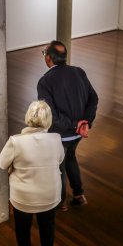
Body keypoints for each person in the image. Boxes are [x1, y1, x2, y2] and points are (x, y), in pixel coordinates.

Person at [37, 40, 98, 211]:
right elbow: (94, 99)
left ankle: (61, 202)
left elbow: (51, 115)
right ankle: (79, 194)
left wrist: (74, 124)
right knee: (70, 157)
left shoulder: (45, 81)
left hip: (60, 135)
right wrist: (85, 122)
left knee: (60, 166)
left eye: (44, 54)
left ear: (49, 59)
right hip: (78, 134)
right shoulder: (79, 72)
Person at [0, 101, 65, 246]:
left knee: (23, 230)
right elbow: (60, 159)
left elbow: (2, 163)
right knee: (47, 230)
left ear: (28, 116)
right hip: (50, 195)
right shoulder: (56, 138)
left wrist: (13, 167)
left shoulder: (16, 141)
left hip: (23, 198)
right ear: (49, 119)